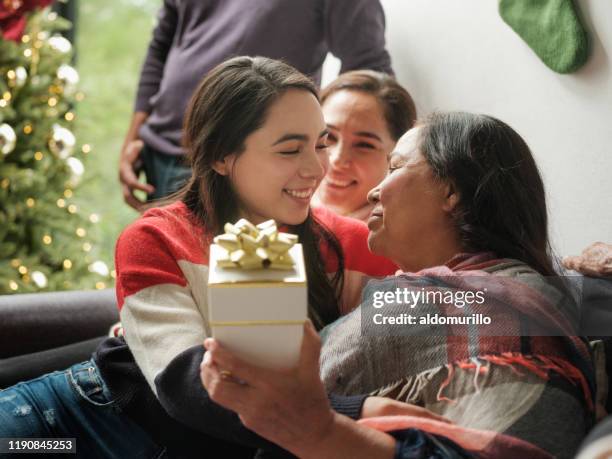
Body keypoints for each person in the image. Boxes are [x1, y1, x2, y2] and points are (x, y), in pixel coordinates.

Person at [0, 57, 435, 458]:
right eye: (290, 149)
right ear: (222, 156)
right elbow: (185, 385)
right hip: (70, 425)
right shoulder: (155, 239)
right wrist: (354, 412)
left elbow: (451, 309)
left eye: (317, 144)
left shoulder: (357, 246)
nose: (318, 168)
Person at [201, 112, 596, 458]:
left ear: (450, 191)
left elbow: (275, 393)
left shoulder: (431, 303)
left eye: (394, 167)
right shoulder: (542, 296)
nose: (374, 189)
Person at [119, 0, 394, 209]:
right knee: (163, 276)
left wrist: (326, 153)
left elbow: (368, 71)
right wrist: (135, 137)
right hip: (158, 151)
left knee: (231, 282)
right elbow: (162, 44)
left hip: (239, 164)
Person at [313, 70, 417, 221]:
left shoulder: (408, 240)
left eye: (364, 145)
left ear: (399, 156)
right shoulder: (275, 213)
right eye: (329, 137)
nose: (337, 159)